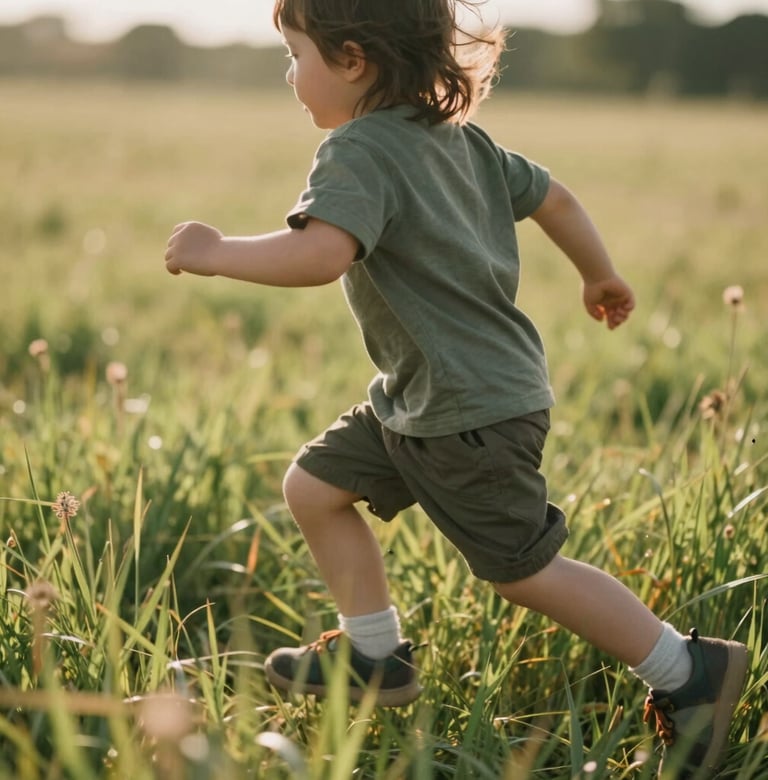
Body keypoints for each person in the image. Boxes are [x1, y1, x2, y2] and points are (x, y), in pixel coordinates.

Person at [163, 0, 748, 775]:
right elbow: (557, 199)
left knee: (524, 571)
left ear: (352, 59)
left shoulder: (359, 150)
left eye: (295, 56)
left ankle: (687, 671)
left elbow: (320, 255)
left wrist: (217, 251)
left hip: (465, 411)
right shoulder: (462, 140)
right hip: (424, 398)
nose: (290, 76)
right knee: (314, 487)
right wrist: (598, 273)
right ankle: (376, 657)